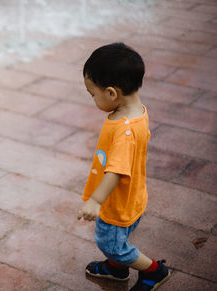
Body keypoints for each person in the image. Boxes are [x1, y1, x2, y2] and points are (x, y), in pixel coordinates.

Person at [77, 42, 171, 291]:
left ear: (111, 93)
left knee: (112, 244)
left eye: (92, 93)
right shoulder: (137, 112)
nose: (92, 99)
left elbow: (117, 170)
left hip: (117, 203)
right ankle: (116, 270)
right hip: (134, 195)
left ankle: (154, 271)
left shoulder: (124, 130)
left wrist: (96, 201)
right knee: (118, 241)